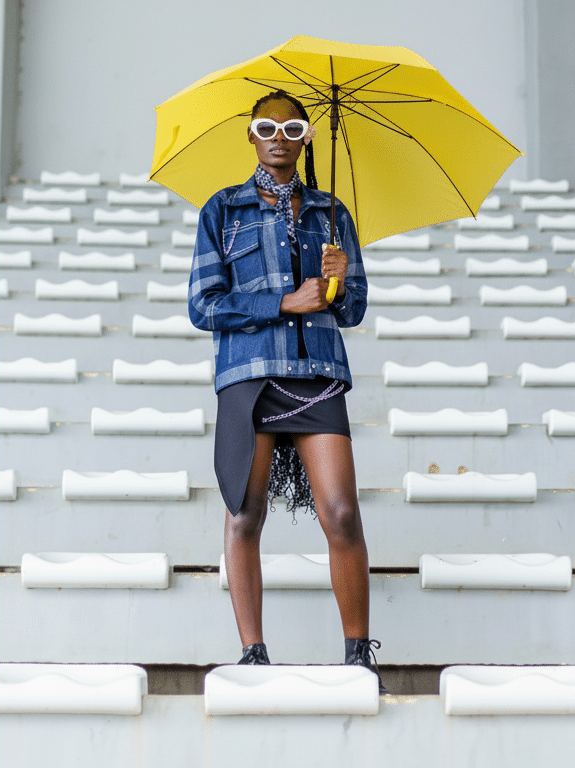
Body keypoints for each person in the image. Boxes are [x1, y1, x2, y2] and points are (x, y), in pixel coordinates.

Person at [188, 89, 384, 692]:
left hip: (317, 373)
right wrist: (283, 302)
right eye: (266, 126)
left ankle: (358, 655)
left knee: (342, 512)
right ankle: (253, 653)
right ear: (251, 135)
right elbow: (203, 305)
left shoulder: (332, 214)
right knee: (245, 514)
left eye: (292, 127)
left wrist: (341, 282)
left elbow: (352, 310)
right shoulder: (223, 210)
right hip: (249, 377)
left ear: (306, 138)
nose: (279, 136)